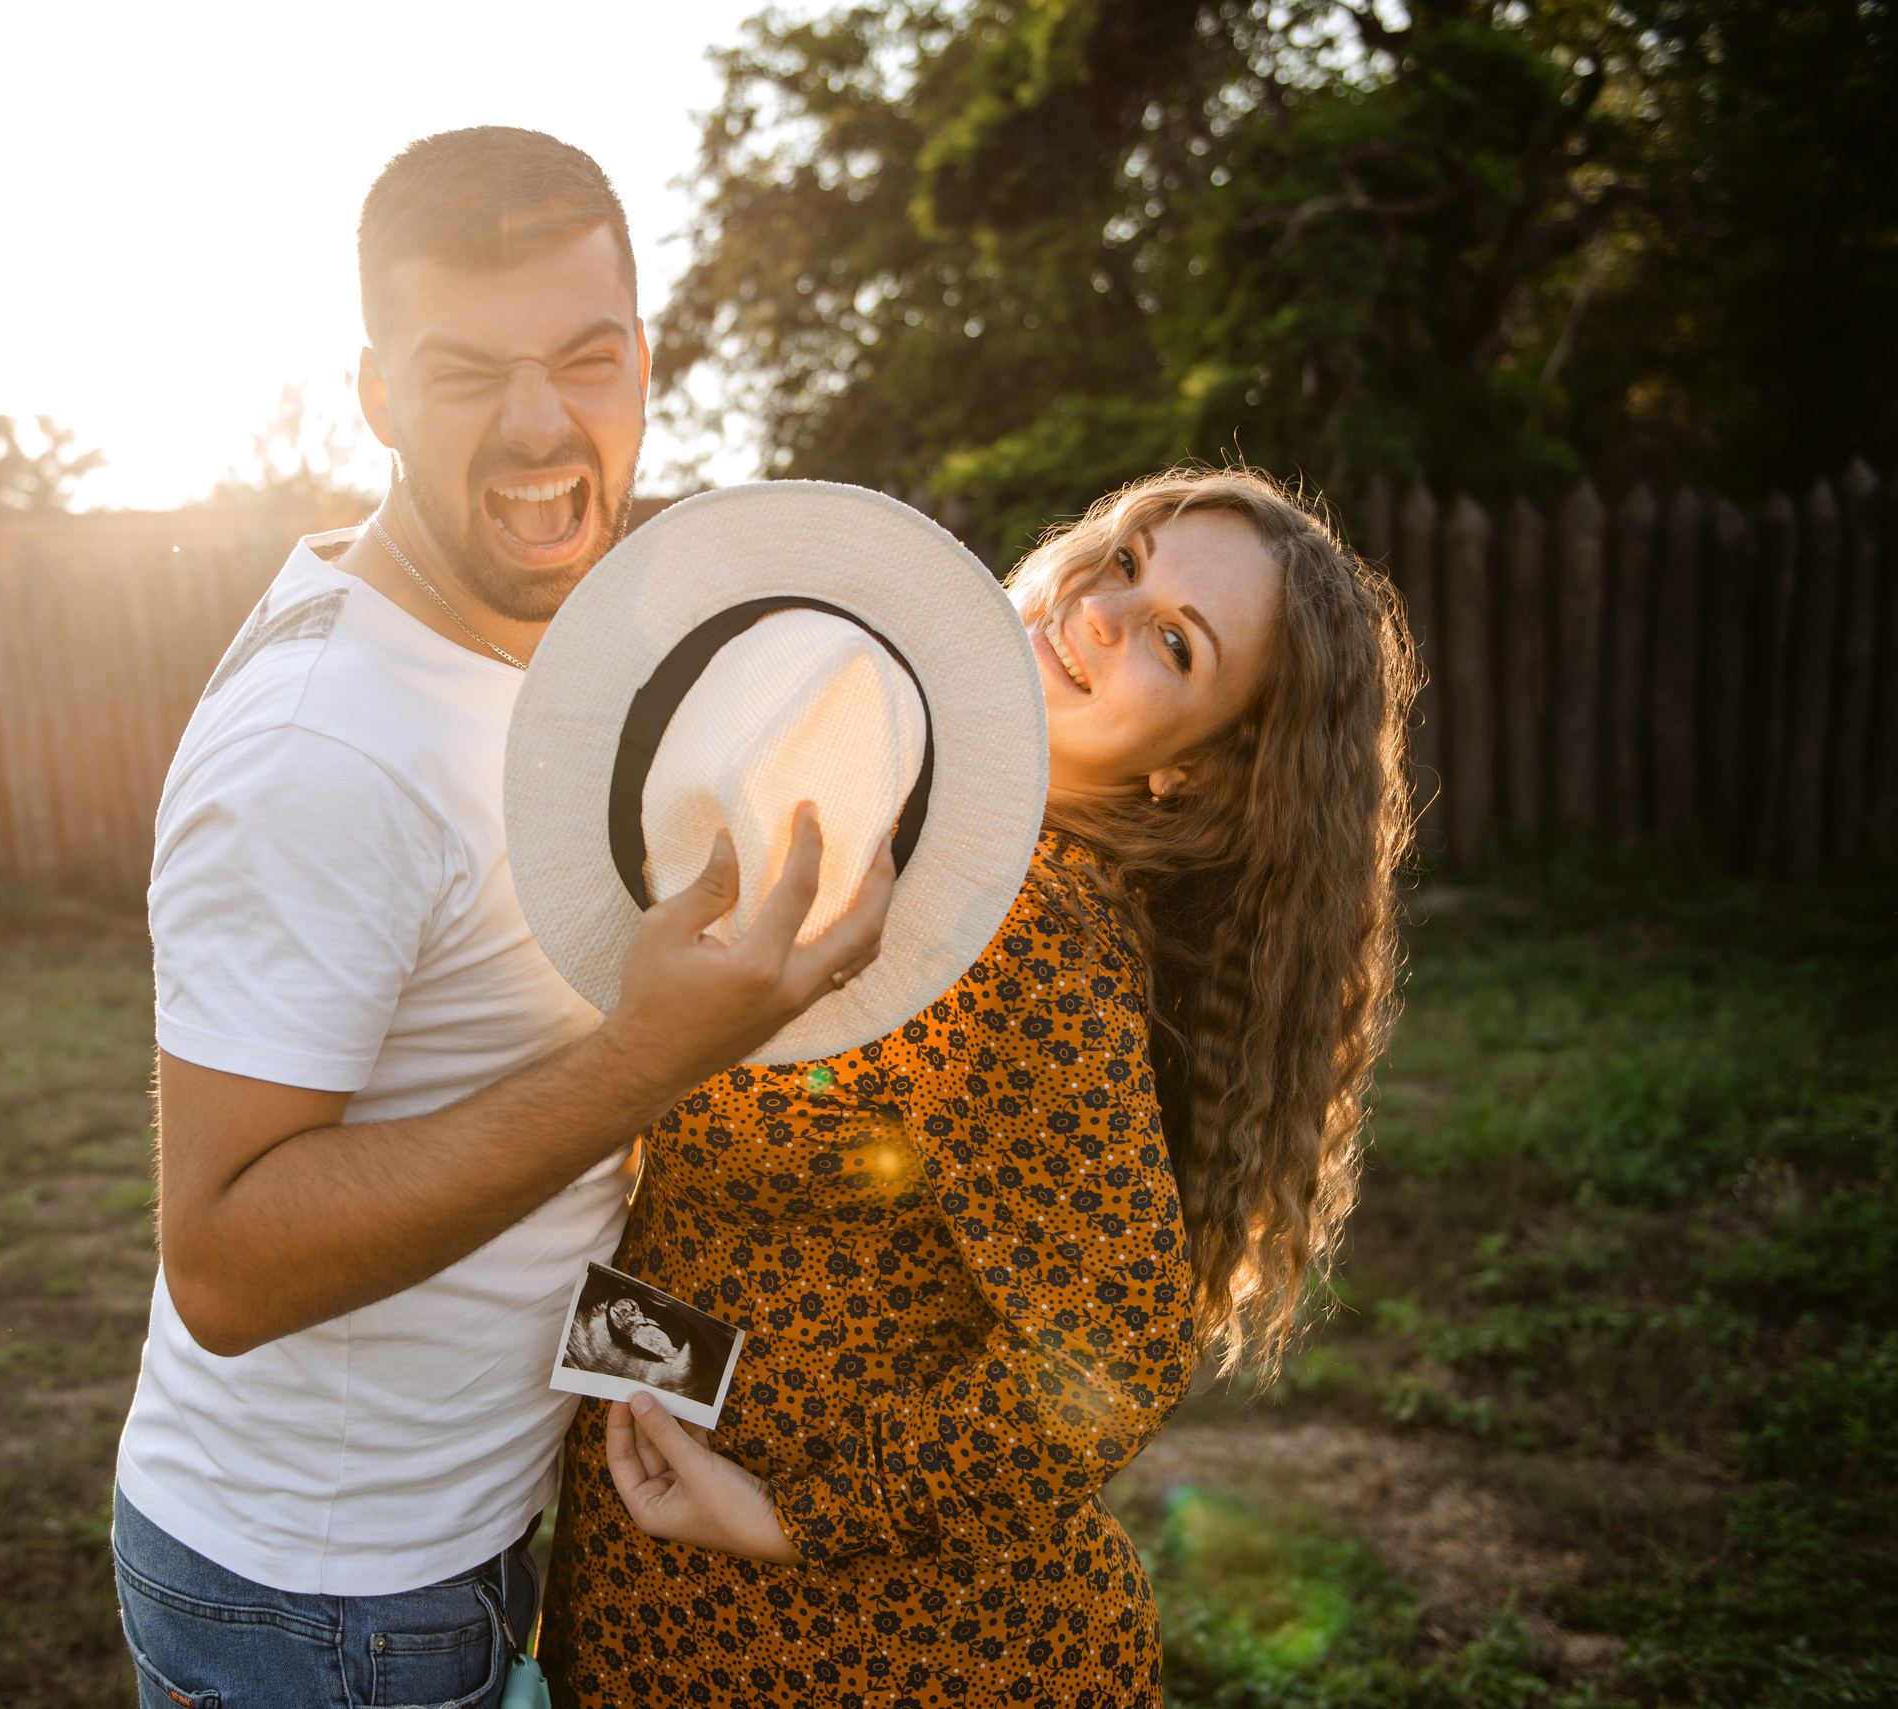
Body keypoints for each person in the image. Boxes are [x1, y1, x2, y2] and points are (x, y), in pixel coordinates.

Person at [111, 129, 891, 1709]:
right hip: (321, 1604)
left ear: (645, 362)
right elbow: (226, 1264)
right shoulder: (323, 746)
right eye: (468, 372)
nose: (543, 424)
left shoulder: (556, 646)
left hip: (455, 1543)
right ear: (381, 397)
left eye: (586, 357)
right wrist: (649, 1058)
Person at [538, 466, 1417, 1708]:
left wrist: (797, 1511)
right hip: (692, 1567)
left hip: (868, 1642)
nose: (1107, 611)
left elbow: (1115, 1342)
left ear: (1195, 773)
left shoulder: (1020, 926)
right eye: (1123, 559)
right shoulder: (918, 828)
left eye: (1174, 642)